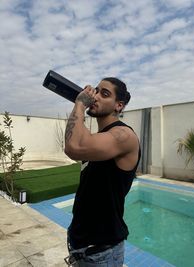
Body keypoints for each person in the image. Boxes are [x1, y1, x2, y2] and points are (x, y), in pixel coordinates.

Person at [64, 77, 141, 267]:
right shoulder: (98, 138)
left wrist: (81, 104)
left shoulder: (123, 135)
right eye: (96, 91)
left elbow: (73, 146)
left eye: (104, 94)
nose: (96, 96)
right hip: (81, 245)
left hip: (101, 252)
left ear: (119, 106)